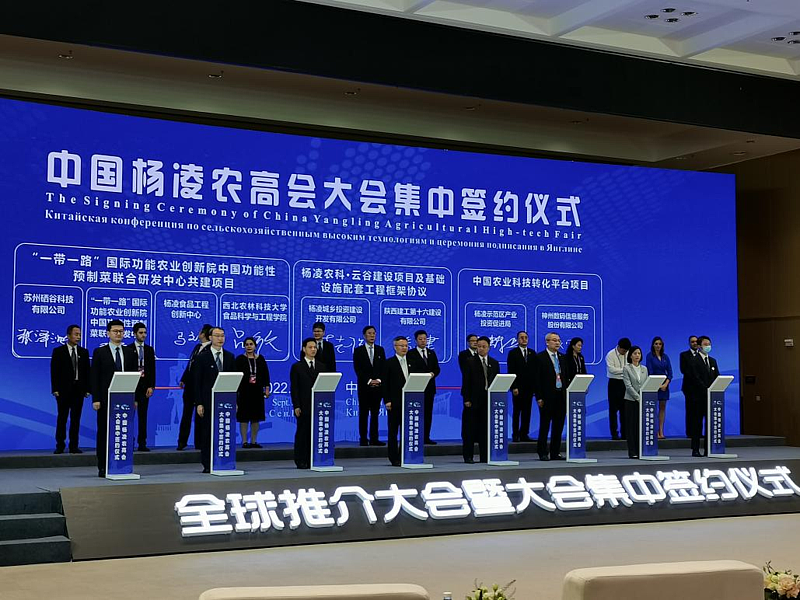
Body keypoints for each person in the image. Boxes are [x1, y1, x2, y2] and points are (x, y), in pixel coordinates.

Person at [90, 320, 137, 477]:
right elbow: (95, 377)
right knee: (105, 432)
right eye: (115, 331)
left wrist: (134, 398)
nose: (119, 334)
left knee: (124, 432)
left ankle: (122, 465)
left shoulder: (130, 352)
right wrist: (96, 399)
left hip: (125, 400)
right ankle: (103, 466)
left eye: (121, 331)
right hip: (105, 400)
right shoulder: (100, 352)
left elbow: (134, 376)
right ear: (108, 333)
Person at [193, 327, 236, 473]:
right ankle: (207, 463)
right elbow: (197, 382)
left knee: (224, 431)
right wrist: (199, 402)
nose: (220, 338)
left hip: (226, 402)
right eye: (217, 335)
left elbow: (234, 380)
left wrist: (235, 401)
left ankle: (225, 461)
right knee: (207, 433)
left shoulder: (230, 357)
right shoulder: (202, 357)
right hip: (207, 401)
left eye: (222, 335)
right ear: (210, 337)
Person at [50, 324, 90, 454]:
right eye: (76, 334)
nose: (78, 337)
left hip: (78, 390)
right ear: (68, 335)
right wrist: (55, 388)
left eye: (80, 335)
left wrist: (87, 389)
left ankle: (74, 446)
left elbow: (87, 372)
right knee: (62, 418)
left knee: (76, 419)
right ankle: (60, 445)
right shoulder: (58, 351)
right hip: (63, 391)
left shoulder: (84, 352)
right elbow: (54, 371)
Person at [462, 336, 499, 463]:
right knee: (470, 430)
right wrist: (466, 398)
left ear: (489, 348)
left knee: (485, 430)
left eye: (484, 347)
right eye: (479, 346)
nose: (481, 349)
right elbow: (466, 382)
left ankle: (485, 456)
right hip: (473, 400)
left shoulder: (494, 363)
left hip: (487, 401)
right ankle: (468, 456)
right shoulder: (470, 361)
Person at [290, 337, 325, 469]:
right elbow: (294, 388)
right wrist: (296, 405)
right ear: (304, 349)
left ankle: (313, 459)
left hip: (318, 406)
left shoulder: (322, 366)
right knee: (302, 434)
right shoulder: (297, 367)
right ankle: (301, 460)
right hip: (303, 406)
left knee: (315, 434)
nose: (313, 349)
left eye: (315, 347)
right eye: (310, 347)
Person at [177, 324, 212, 450]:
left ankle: (199, 443)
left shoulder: (211, 350)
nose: (198, 334)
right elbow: (190, 365)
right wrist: (184, 378)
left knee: (200, 416)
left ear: (204, 334)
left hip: (201, 388)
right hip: (190, 387)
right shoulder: (197, 347)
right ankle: (182, 442)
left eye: (200, 332)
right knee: (186, 415)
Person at [685, 335, 719, 457]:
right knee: (697, 424)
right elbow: (695, 378)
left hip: (710, 398)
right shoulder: (694, 360)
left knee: (710, 424)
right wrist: (706, 389)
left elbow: (717, 377)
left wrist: (715, 388)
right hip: (697, 397)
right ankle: (695, 449)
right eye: (705, 344)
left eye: (709, 344)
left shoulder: (713, 361)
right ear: (699, 346)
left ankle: (708, 449)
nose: (708, 346)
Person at [124, 322, 156, 452]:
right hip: (132, 386)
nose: (143, 335)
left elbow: (152, 369)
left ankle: (142, 443)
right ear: (134, 334)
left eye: (145, 333)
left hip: (144, 387)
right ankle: (128, 442)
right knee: (129, 416)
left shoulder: (149, 350)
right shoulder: (128, 349)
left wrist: (151, 386)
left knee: (143, 416)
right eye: (141, 333)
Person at [353, 325, 386, 447]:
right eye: (369, 333)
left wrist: (379, 380)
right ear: (364, 335)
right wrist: (369, 381)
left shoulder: (380, 350)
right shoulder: (358, 351)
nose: (372, 335)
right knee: (363, 413)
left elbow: (383, 368)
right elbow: (358, 369)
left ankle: (374, 439)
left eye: (374, 333)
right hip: (364, 388)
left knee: (375, 414)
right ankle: (363, 438)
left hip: (378, 388)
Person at [536, 332, 567, 460]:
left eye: (558, 340)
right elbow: (536, 379)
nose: (557, 343)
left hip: (561, 396)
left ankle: (555, 452)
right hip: (547, 397)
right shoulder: (540, 357)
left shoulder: (563, 357)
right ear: (547, 342)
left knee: (558, 426)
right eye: (554, 340)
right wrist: (539, 397)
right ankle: (542, 452)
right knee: (545, 426)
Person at [235, 336, 271, 449]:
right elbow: (236, 376)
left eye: (251, 344)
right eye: (246, 344)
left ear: (255, 346)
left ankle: (254, 441)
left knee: (256, 417)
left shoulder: (260, 359)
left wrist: (267, 388)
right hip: (244, 392)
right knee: (244, 417)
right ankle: (244, 441)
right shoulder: (240, 359)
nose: (249, 346)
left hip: (257, 392)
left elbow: (266, 374)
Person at [407, 329, 440, 445]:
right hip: (416, 388)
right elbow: (411, 370)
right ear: (416, 340)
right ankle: (416, 437)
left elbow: (437, 368)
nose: (423, 341)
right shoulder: (411, 354)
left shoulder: (431, 353)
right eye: (420, 339)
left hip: (430, 388)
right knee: (417, 414)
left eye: (425, 339)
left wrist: (432, 374)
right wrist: (424, 375)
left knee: (428, 413)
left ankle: (426, 437)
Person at [384, 335, 410, 467]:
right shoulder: (389, 362)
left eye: (406, 346)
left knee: (407, 430)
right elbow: (385, 383)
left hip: (409, 402)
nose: (404, 348)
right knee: (393, 431)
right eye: (401, 346)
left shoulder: (412, 362)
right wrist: (387, 400)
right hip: (394, 402)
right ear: (395, 347)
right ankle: (394, 458)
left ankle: (405, 455)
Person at [507, 330, 536, 442]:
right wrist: (514, 386)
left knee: (527, 412)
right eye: (521, 337)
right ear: (517, 340)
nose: (524, 339)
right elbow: (511, 371)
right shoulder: (513, 353)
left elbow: (535, 372)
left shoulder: (532, 353)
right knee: (517, 412)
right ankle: (515, 434)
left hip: (529, 388)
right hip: (518, 388)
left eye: (526, 337)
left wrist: (535, 388)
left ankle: (524, 434)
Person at [622, 346, 648, 459]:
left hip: (642, 401)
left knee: (639, 426)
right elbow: (628, 386)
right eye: (635, 353)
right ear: (630, 355)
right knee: (631, 427)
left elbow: (646, 383)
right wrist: (638, 397)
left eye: (639, 353)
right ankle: (632, 451)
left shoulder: (644, 369)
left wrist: (643, 397)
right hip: (631, 400)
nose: (637, 355)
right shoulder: (626, 368)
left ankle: (640, 450)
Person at [645, 336, 673, 440]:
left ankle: (661, 431)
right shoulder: (649, 356)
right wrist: (658, 385)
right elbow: (650, 371)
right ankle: (655, 431)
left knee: (662, 408)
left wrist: (665, 384)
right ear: (653, 345)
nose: (658, 346)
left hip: (665, 386)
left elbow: (670, 372)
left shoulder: (665, 357)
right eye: (656, 344)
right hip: (654, 384)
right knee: (653, 408)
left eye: (660, 344)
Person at [605, 337, 631, 440]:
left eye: (626, 351)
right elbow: (612, 370)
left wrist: (624, 370)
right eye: (623, 351)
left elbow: (631, 367)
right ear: (619, 347)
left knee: (625, 410)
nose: (625, 353)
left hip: (625, 383)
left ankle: (625, 433)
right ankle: (614, 434)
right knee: (613, 410)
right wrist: (625, 370)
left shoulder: (628, 353)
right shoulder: (610, 354)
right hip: (614, 383)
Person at [679, 335, 700, 438]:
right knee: (690, 410)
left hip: (701, 388)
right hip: (689, 387)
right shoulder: (684, 355)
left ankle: (699, 432)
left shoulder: (702, 355)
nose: (695, 343)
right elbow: (683, 370)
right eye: (692, 342)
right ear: (689, 343)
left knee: (699, 411)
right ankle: (690, 432)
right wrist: (696, 376)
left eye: (696, 341)